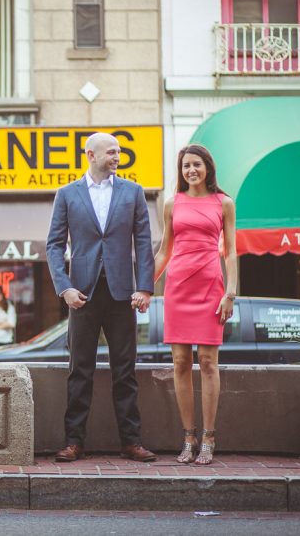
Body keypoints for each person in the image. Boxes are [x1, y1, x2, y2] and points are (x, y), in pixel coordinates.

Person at [45, 132, 156, 463]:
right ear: (90, 155)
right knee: (80, 370)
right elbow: (53, 245)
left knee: (126, 371)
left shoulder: (133, 192)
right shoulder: (67, 194)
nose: (117, 156)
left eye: (119, 151)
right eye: (111, 152)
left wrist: (145, 287)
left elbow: (143, 241)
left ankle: (131, 441)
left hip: (124, 295)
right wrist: (64, 287)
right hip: (82, 294)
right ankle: (74, 442)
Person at [154, 144, 237, 466]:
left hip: (210, 285)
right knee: (180, 362)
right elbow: (164, 251)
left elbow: (230, 251)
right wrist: (146, 287)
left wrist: (230, 292)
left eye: (197, 165)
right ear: (181, 170)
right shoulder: (172, 203)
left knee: (207, 362)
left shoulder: (224, 203)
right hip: (178, 285)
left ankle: (209, 439)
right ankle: (187, 437)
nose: (191, 170)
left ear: (208, 168)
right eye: (186, 165)